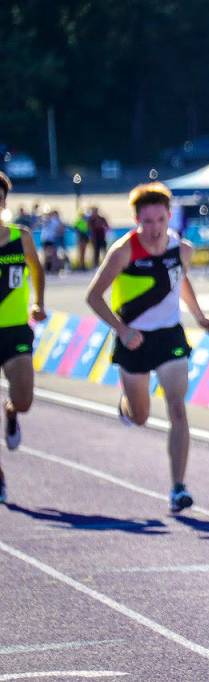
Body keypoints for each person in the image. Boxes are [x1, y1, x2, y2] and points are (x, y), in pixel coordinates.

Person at [85, 182, 209, 512]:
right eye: (147, 222)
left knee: (177, 409)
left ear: (169, 216)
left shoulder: (182, 249)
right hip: (134, 340)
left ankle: (178, 488)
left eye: (160, 220)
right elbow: (93, 296)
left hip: (170, 336)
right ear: (136, 220)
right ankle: (128, 406)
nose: (155, 229)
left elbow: (181, 281)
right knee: (141, 416)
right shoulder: (124, 251)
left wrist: (199, 316)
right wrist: (122, 330)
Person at [0, 172, 47, 504]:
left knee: (26, 400)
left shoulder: (22, 237)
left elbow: (37, 269)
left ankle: (12, 412)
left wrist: (38, 302)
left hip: (16, 330)